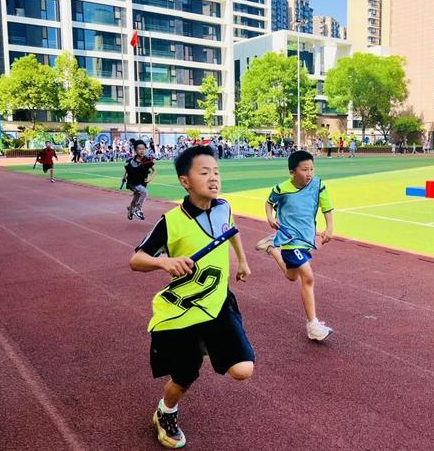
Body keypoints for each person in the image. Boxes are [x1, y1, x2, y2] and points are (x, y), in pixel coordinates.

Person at [129, 146, 254, 449]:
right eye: (204, 172)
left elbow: (231, 230)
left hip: (218, 301)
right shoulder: (171, 222)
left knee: (243, 370)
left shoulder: (223, 206)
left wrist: (242, 260)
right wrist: (164, 262)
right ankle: (165, 412)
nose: (214, 178)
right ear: (185, 181)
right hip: (182, 311)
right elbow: (137, 260)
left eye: (216, 172)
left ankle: (207, 341)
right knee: (184, 376)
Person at [255, 150, 334, 341]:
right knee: (308, 277)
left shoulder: (318, 185)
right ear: (292, 172)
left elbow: (327, 207)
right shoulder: (282, 188)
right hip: (289, 239)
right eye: (304, 169)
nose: (309, 174)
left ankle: (271, 248)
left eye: (312, 169)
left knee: (292, 276)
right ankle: (312, 325)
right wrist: (270, 217)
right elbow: (268, 202)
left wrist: (329, 228)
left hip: (306, 238)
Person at [122, 140, 155, 220]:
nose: (141, 151)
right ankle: (138, 209)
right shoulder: (132, 161)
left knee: (136, 197)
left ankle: (130, 209)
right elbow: (127, 170)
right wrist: (124, 177)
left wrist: (150, 179)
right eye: (139, 149)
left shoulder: (147, 160)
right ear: (135, 150)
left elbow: (154, 171)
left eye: (143, 149)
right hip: (132, 182)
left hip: (142, 182)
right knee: (144, 192)